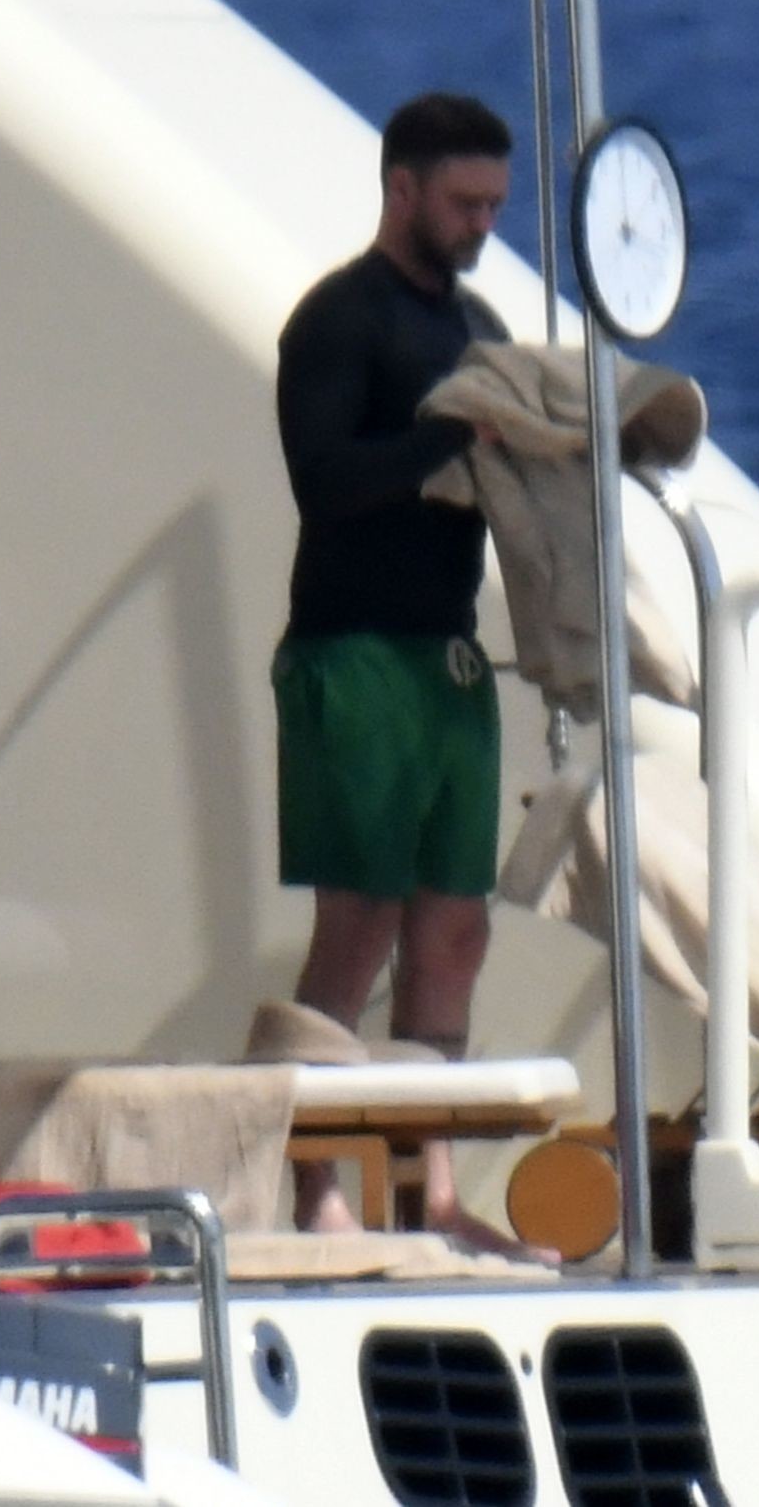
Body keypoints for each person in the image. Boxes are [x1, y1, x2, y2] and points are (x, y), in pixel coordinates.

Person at [271, 92, 540, 1252]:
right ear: (403, 189)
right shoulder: (339, 319)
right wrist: (453, 436)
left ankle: (432, 1195)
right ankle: (312, 1190)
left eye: (494, 205)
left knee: (454, 929)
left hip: (449, 654)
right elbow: (323, 477)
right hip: (352, 650)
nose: (481, 224)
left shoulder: (476, 325)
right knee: (359, 923)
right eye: (464, 202)